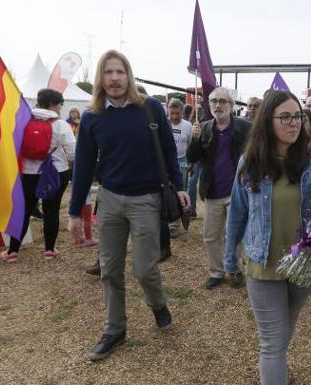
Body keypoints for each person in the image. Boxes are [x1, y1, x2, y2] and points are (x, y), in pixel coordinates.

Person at [68, 50, 189, 361]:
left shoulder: (149, 108)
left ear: (128, 75)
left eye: (119, 72)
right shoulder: (93, 116)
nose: (114, 78)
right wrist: (73, 212)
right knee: (109, 270)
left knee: (144, 268)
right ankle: (115, 328)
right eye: (108, 72)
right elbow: (82, 165)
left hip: (147, 200)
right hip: (108, 201)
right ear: (101, 78)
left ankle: (158, 303)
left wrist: (180, 187)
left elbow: (167, 148)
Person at [224, 90, 311, 385]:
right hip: (263, 263)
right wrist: (229, 258)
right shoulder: (250, 162)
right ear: (268, 121)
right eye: (285, 117)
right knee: (273, 343)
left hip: (303, 263)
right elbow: (237, 213)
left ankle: (272, 367)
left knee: (283, 334)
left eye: (298, 116)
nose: (293, 123)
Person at [0, 88, 76, 263]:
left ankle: (12, 252)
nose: (60, 108)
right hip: (56, 171)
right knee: (52, 210)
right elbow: (73, 154)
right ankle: (49, 251)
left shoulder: (24, 119)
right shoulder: (61, 124)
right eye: (60, 104)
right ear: (53, 104)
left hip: (28, 172)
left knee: (25, 210)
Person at [186, 86, 250, 289]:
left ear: (231, 105)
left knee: (235, 234)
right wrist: (194, 140)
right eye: (214, 101)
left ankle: (235, 268)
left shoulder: (245, 127)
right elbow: (192, 158)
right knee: (211, 236)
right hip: (212, 191)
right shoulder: (203, 128)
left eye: (222, 101)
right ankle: (216, 271)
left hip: (237, 192)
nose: (218, 105)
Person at [167, 98, 192, 238]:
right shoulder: (163, 123)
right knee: (166, 191)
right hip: (165, 162)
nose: (175, 116)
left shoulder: (188, 126)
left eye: (178, 113)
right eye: (172, 113)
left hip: (182, 161)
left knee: (179, 192)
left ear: (182, 112)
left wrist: (192, 162)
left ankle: (175, 224)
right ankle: (169, 222)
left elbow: (190, 144)